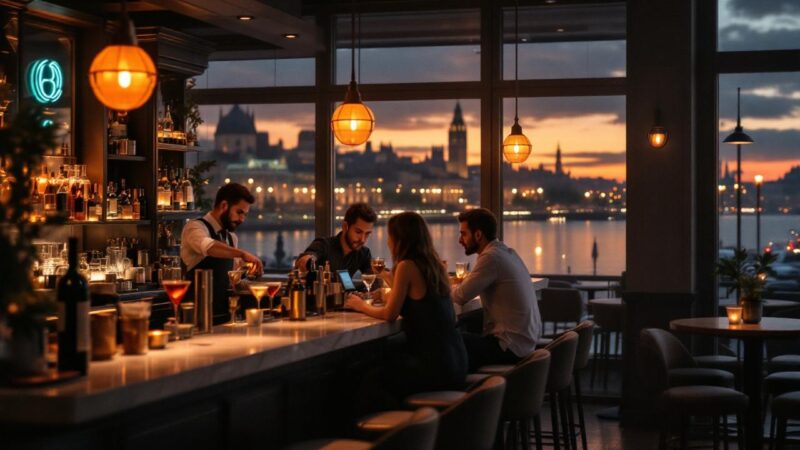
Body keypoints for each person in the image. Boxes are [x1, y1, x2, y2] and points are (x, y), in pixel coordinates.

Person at [345, 212, 468, 411]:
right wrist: (387, 295)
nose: (387, 241)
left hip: (433, 367)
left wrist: (360, 306)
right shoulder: (435, 265)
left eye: (390, 236)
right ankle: (410, 430)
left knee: (366, 376)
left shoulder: (406, 266)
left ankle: (385, 435)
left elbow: (389, 315)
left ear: (400, 239)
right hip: (456, 361)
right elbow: (416, 297)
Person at [451, 208, 542, 371]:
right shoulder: (507, 252)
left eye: (463, 234)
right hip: (525, 342)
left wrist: (434, 286)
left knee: (448, 341)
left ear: (478, 235)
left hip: (509, 347)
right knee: (462, 333)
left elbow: (460, 296)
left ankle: (460, 392)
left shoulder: (491, 258)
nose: (459, 240)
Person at [180, 183, 263, 323]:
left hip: (224, 319)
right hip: (196, 319)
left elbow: (232, 281)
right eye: (239, 212)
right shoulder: (194, 227)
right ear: (224, 205)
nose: (242, 219)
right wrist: (242, 254)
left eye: (245, 214)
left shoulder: (231, 238)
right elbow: (209, 246)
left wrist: (250, 276)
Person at [295, 203, 377, 276]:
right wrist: (308, 259)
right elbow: (309, 256)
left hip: (345, 293)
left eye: (367, 234)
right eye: (358, 232)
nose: (362, 240)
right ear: (345, 227)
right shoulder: (323, 245)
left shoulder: (363, 253)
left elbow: (372, 281)